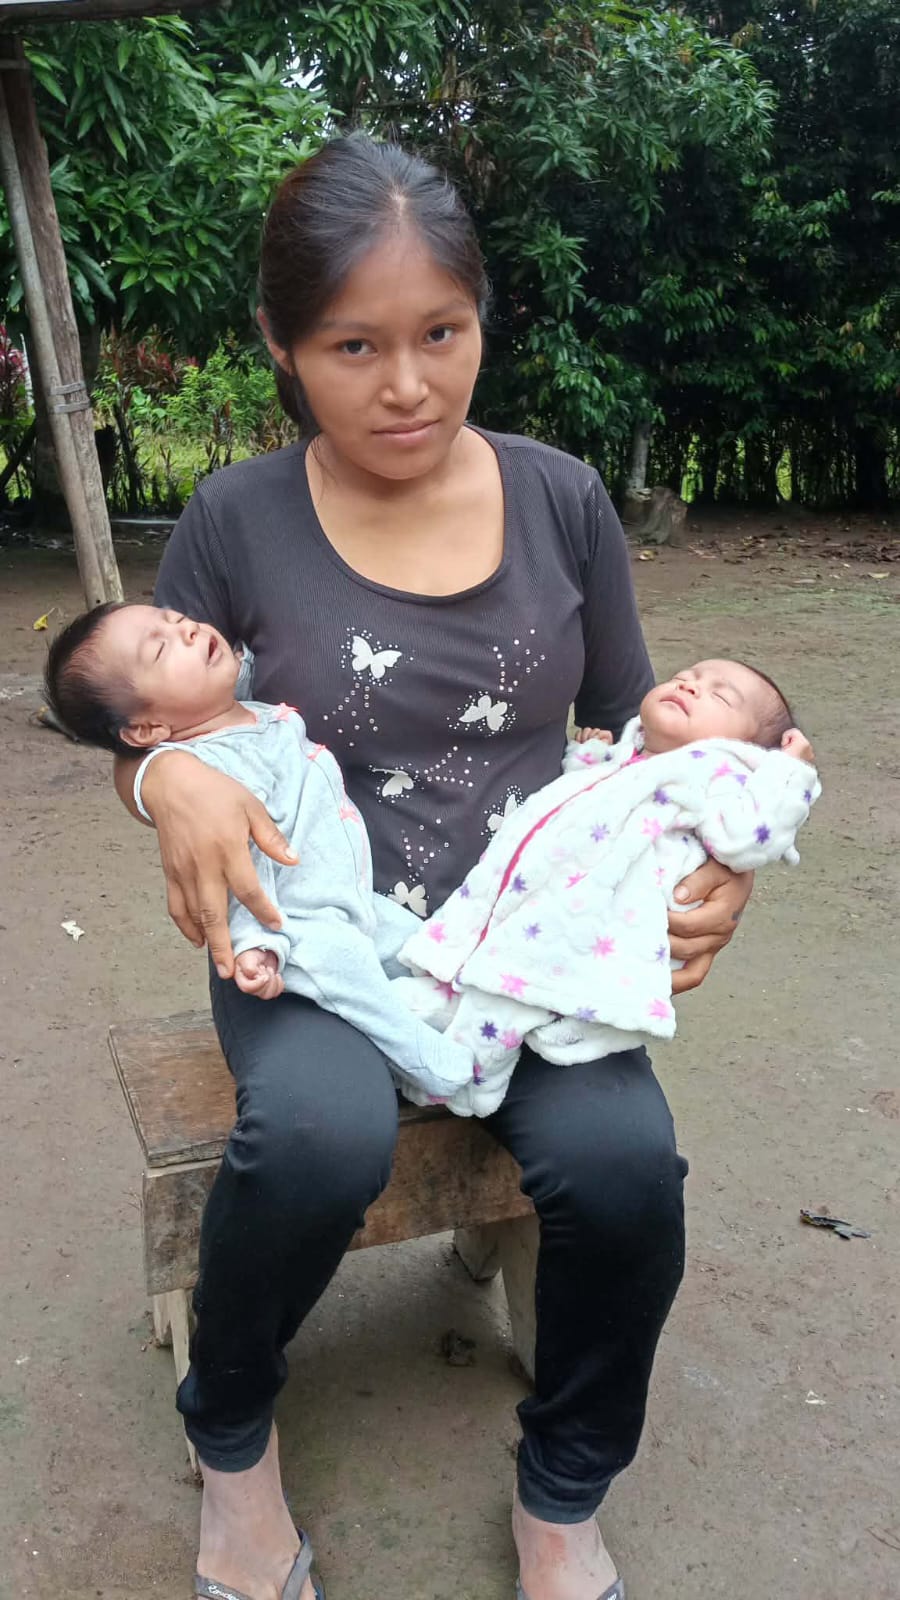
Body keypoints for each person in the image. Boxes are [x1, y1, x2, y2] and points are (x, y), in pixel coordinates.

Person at [111, 134, 755, 1600]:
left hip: (530, 944)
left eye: (440, 335)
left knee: (624, 1164)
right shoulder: (234, 520)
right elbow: (148, 707)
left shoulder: (561, 499)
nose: (405, 384)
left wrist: (728, 867)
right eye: (353, 344)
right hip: (319, 935)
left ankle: (563, 1488)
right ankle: (232, 1441)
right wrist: (167, 781)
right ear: (282, 344)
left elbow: (648, 730)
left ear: (481, 322)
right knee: (320, 1138)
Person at [44, 601, 475, 1102]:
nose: (183, 628)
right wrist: (256, 945)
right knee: (355, 980)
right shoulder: (213, 771)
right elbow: (237, 870)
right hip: (296, 925)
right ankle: (429, 1062)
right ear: (146, 730)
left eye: (172, 617)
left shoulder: (237, 711)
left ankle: (474, 1019)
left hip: (351, 900)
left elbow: (245, 657)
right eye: (160, 647)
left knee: (424, 947)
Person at [394, 658, 819, 1117]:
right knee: (480, 983)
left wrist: (788, 773)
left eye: (719, 695)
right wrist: (590, 755)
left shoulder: (721, 775)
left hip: (593, 927)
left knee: (506, 1004)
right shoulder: (635, 758)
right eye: (685, 677)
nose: (690, 686)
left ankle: (467, 1083)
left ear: (750, 750)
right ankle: (441, 1018)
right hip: (545, 911)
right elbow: (590, 794)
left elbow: (748, 836)